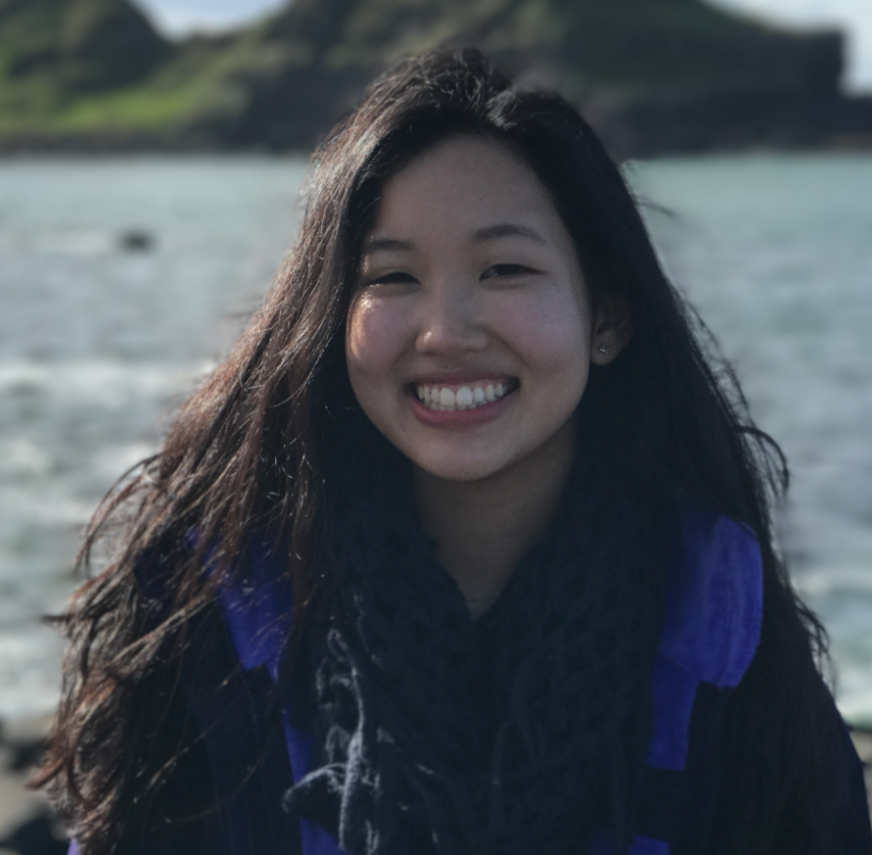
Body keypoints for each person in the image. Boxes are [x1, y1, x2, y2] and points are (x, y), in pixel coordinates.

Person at [35, 48, 871, 855]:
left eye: (505, 268)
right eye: (391, 278)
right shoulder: (218, 602)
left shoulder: (719, 614)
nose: (445, 333)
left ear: (608, 316)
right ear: (330, 317)